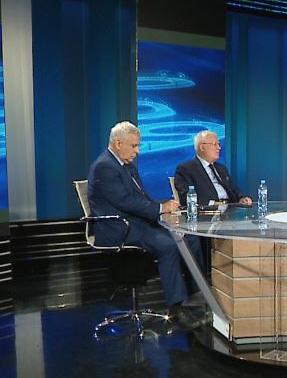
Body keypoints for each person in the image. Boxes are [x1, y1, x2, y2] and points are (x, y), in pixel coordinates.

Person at [87, 121, 202, 329]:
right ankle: (176, 308)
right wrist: (160, 209)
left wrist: (163, 211)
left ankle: (198, 296)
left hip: (137, 222)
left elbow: (141, 198)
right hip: (119, 228)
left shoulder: (126, 166)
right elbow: (125, 202)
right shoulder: (105, 167)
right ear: (118, 143)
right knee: (168, 245)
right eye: (134, 146)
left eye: (138, 146)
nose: (137, 151)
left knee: (189, 237)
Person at [174, 130, 252, 207]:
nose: (219, 148)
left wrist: (241, 198)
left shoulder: (221, 168)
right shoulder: (186, 168)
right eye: (214, 144)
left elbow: (233, 189)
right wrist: (212, 204)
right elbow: (185, 196)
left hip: (230, 208)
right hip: (207, 211)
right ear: (202, 147)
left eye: (219, 144)